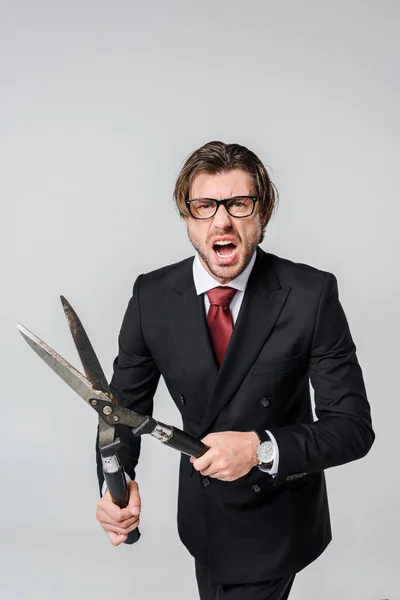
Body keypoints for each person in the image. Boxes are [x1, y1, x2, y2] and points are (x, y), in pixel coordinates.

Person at [95, 141, 375, 600]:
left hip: (276, 518)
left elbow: (352, 429)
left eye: (238, 204)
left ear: (261, 214)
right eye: (204, 206)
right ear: (187, 217)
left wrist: (260, 447)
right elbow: (119, 412)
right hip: (202, 515)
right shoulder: (152, 297)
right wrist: (114, 484)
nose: (221, 220)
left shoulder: (310, 295)